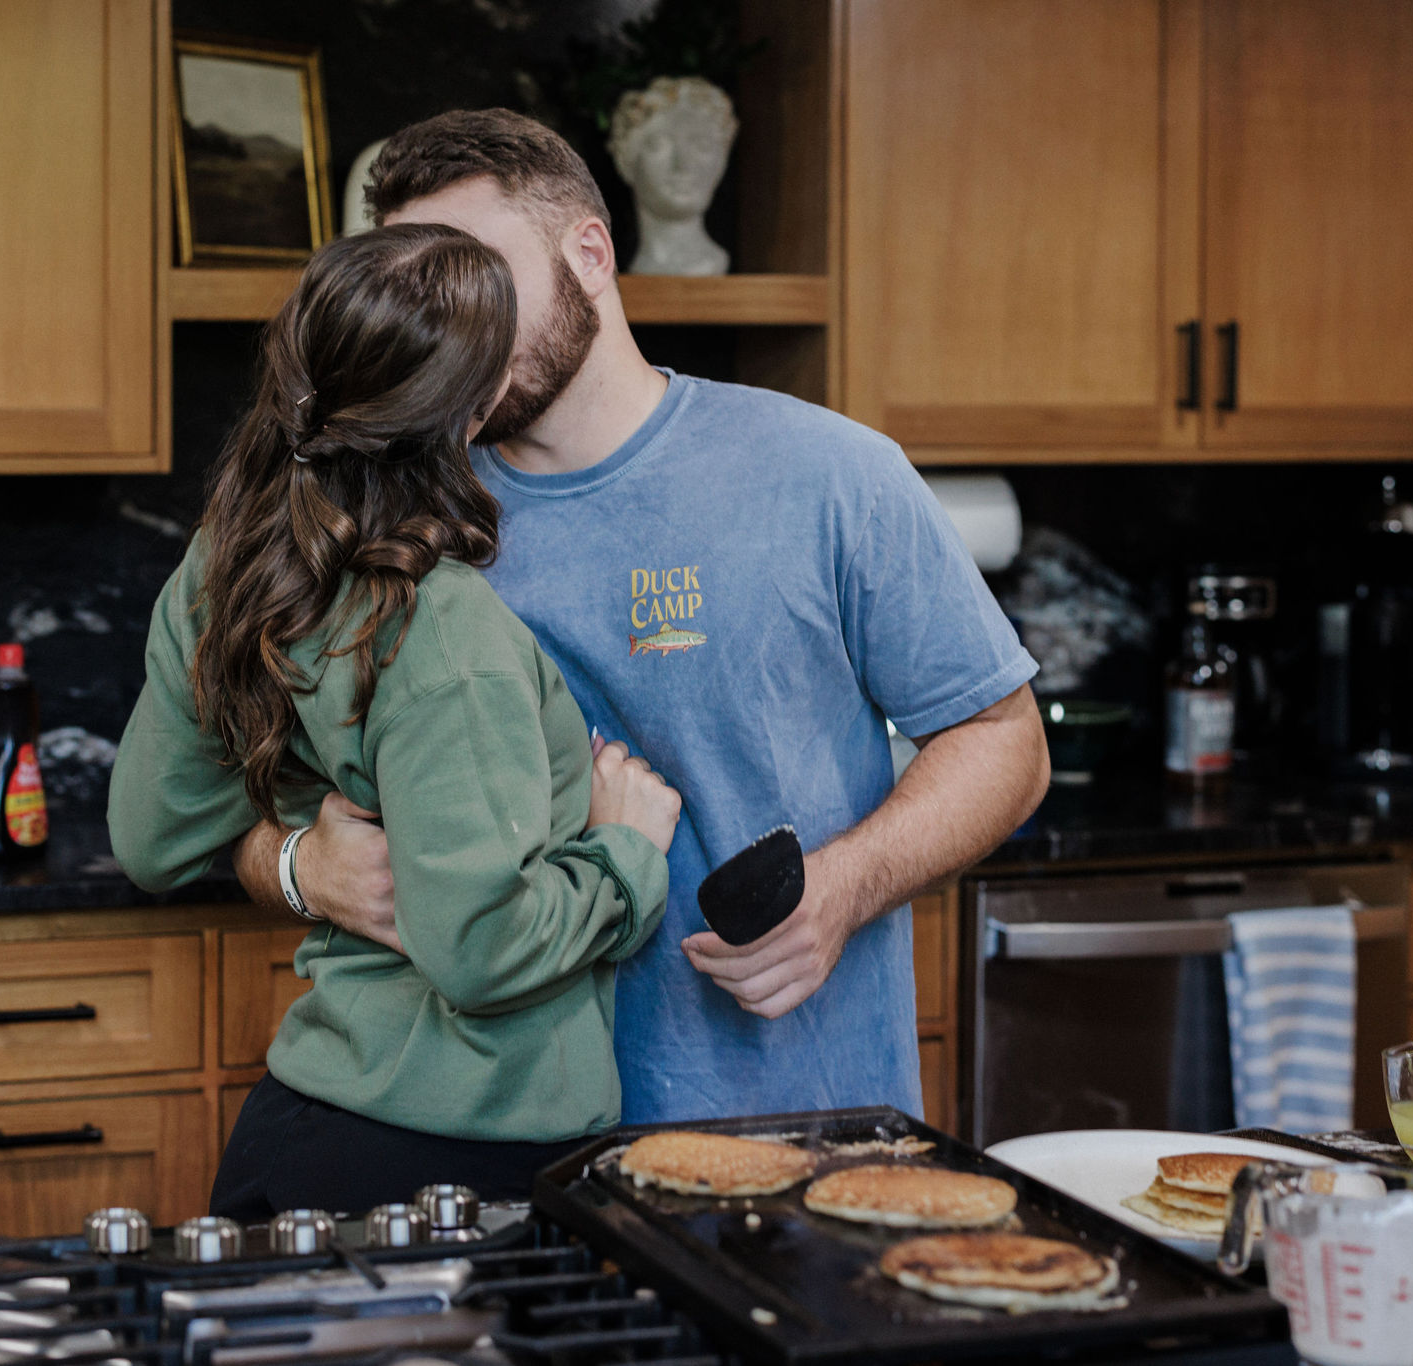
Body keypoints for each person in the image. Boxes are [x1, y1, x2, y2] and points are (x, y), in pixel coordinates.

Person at [231, 109, 1050, 1126]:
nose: (454, 330)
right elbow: (211, 807)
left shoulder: (827, 473)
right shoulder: (387, 519)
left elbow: (1000, 739)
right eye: (423, 290)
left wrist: (841, 889)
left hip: (793, 1120)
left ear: (589, 253)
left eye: (479, 278)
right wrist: (301, 869)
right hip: (486, 1136)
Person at [107, 223, 681, 1213]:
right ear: (478, 407)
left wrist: (294, 863)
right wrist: (625, 856)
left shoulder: (224, 563)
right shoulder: (445, 631)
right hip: (458, 1170)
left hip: (306, 1129)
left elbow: (150, 836)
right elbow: (483, 951)